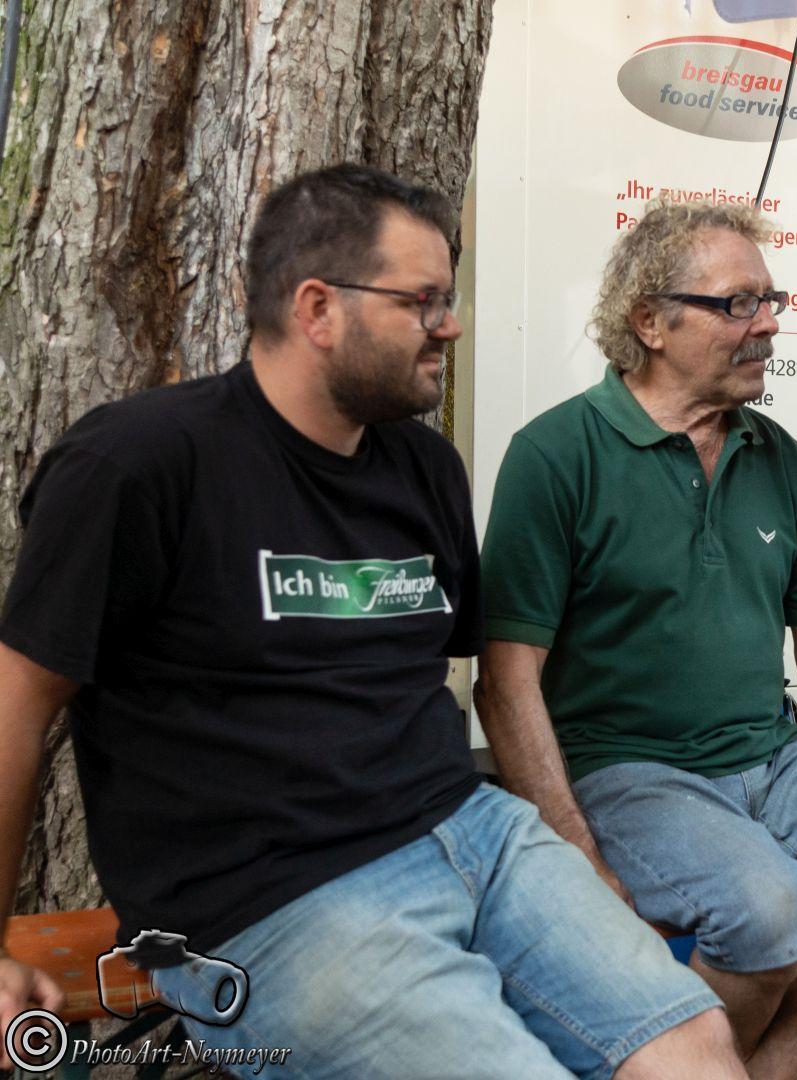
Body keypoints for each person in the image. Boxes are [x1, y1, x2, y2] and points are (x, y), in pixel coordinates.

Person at [0, 165, 743, 1079]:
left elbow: (436, 673)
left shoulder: (424, 468)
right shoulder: (137, 465)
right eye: (423, 301)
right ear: (318, 308)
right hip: (268, 905)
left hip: (473, 835)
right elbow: (15, 705)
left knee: (694, 1047)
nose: (450, 325)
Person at [476, 198, 797, 1080]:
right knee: (768, 911)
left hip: (771, 756)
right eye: (737, 304)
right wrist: (576, 859)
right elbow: (504, 681)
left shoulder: (778, 454)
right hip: (627, 767)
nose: (767, 324)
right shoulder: (557, 454)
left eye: (771, 301)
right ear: (649, 322)